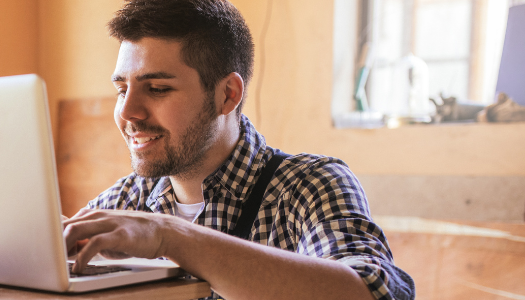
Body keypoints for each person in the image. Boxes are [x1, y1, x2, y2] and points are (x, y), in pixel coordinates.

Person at [60, 1, 415, 299]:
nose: (127, 112)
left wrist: (169, 236)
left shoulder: (309, 186)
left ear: (228, 94)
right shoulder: (122, 203)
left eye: (156, 88)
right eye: (122, 89)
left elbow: (370, 292)